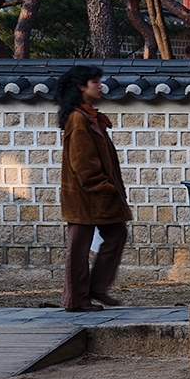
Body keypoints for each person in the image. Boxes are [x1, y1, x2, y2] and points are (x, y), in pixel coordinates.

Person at [53, 65, 129, 312]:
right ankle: (76, 300)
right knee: (78, 250)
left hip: (100, 195)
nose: (100, 85)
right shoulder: (78, 119)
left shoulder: (89, 116)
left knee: (116, 235)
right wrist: (102, 187)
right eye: (94, 81)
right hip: (86, 196)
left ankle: (96, 288)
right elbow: (82, 162)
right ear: (81, 87)